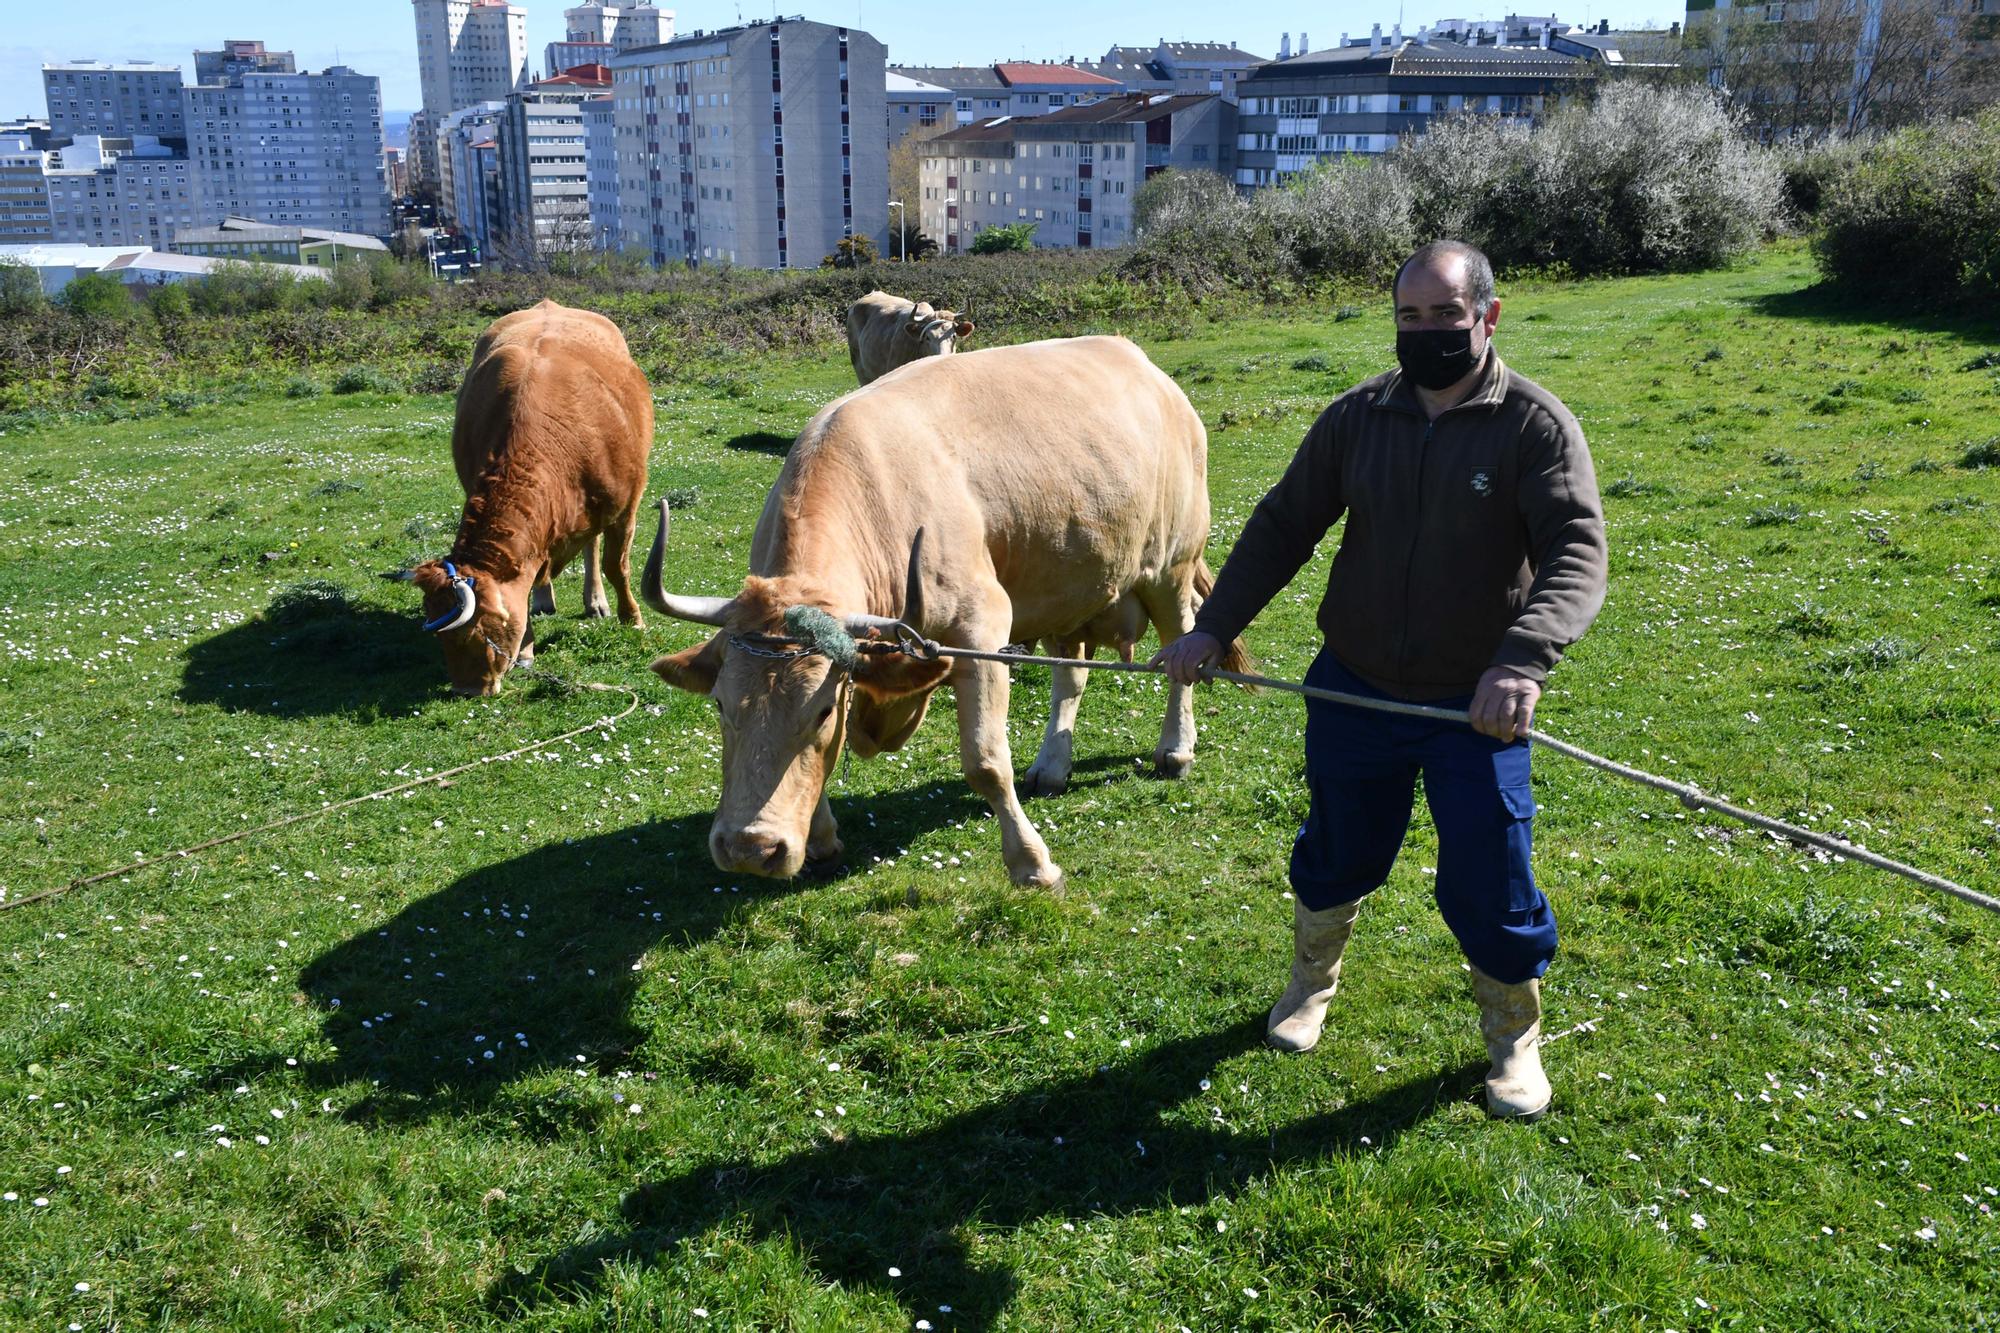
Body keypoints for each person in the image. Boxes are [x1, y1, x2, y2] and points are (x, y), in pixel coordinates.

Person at [1155, 240, 1607, 1120]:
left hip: (1472, 704)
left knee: (1490, 872)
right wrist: (1214, 627)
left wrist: (1523, 660)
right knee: (1339, 848)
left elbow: (1576, 550)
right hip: (1355, 686)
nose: (1428, 332)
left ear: (1488, 315)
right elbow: (1285, 526)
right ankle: (1309, 986)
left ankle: (1513, 1037)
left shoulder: (1534, 426)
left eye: (1446, 316)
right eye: (1411, 317)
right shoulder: (1358, 418)